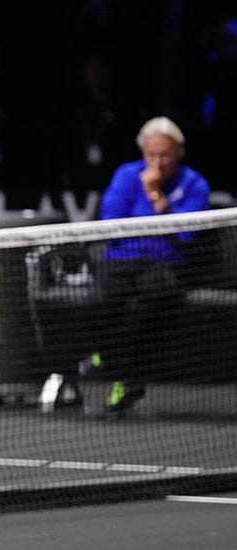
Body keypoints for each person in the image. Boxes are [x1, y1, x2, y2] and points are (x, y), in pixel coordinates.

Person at [84, 116, 211, 413]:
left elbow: (184, 233)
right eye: (151, 155)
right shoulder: (126, 175)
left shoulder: (195, 184)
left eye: (164, 155)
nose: (157, 162)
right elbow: (111, 220)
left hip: (164, 263)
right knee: (95, 303)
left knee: (144, 308)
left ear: (178, 152)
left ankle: (121, 375)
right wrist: (157, 225)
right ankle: (117, 365)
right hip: (121, 260)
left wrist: (156, 196)